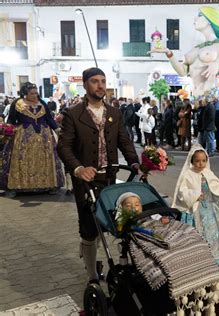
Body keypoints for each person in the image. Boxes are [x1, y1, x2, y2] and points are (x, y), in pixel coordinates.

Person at [58, 67, 139, 284]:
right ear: (85, 84)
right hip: (86, 180)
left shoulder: (115, 113)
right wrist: (78, 168)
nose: (100, 85)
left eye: (103, 81)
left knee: (119, 222)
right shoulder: (73, 114)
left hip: (110, 178)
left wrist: (135, 162)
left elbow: (124, 141)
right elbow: (64, 147)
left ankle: (122, 266)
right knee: (89, 227)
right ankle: (92, 274)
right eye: (95, 81)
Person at [150, 6, 219, 97]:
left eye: (199, 16)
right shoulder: (197, 48)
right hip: (194, 102)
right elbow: (182, 72)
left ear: (209, 21)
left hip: (210, 101)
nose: (195, 19)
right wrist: (169, 53)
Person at [172, 145, 219, 265]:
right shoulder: (188, 174)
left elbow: (216, 186)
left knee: (214, 232)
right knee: (199, 232)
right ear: (192, 161)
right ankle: (200, 258)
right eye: (197, 161)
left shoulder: (208, 173)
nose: (201, 163)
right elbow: (182, 191)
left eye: (203, 161)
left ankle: (216, 257)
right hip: (196, 209)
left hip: (210, 207)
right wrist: (194, 195)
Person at [1, 82, 64, 197]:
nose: (35, 95)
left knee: (44, 159)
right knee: (22, 159)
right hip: (23, 137)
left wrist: (57, 130)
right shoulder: (17, 103)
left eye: (36, 93)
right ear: (25, 93)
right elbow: (11, 120)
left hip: (44, 137)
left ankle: (49, 185)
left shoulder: (42, 103)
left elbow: (49, 119)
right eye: (32, 93)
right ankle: (16, 186)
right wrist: (8, 129)